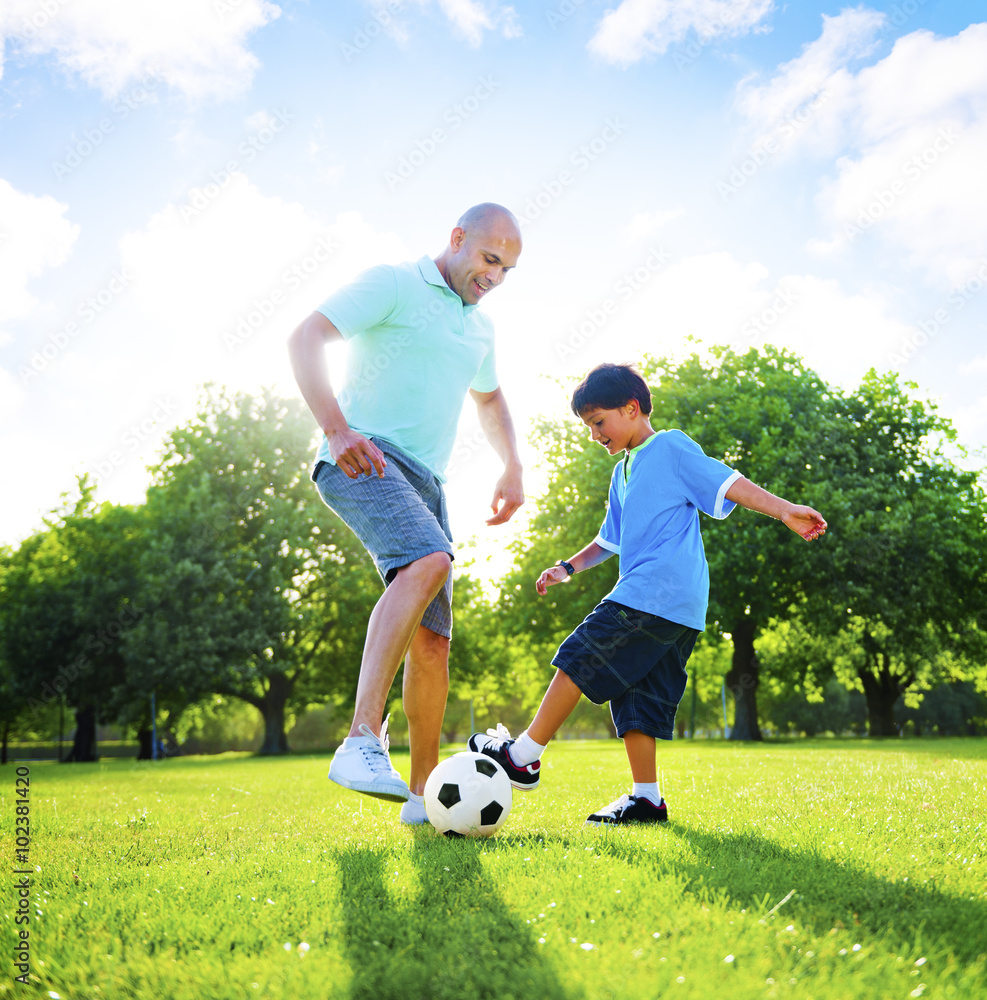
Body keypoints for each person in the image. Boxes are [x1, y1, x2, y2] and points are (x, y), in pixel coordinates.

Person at [469, 362, 827, 825]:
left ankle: (524, 755)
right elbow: (609, 540)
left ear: (632, 408)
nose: (595, 434)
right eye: (588, 426)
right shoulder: (622, 472)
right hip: (678, 608)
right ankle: (646, 800)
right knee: (639, 697)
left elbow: (726, 482)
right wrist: (567, 567)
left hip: (653, 592)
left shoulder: (670, 447)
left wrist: (784, 512)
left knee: (581, 654)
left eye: (599, 422)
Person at [288, 203, 525, 825]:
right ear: (457, 240)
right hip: (364, 454)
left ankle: (422, 799)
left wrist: (512, 466)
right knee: (429, 559)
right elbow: (306, 335)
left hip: (429, 482)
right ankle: (362, 738)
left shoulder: (480, 330)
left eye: (507, 269)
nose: (495, 276)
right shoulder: (394, 282)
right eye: (489, 259)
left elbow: (491, 398)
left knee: (433, 644)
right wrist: (335, 431)